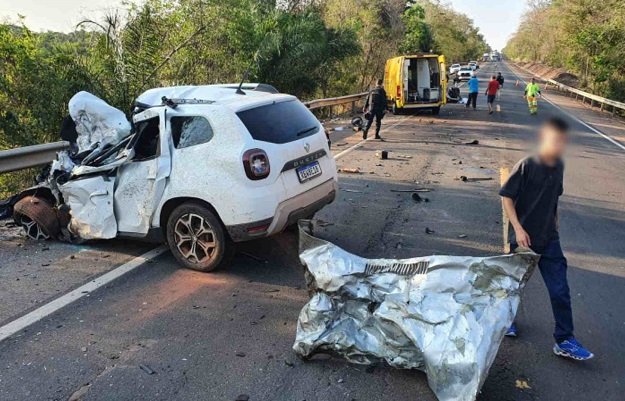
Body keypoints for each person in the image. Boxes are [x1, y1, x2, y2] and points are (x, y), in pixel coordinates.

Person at [500, 117, 594, 361]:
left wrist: (555, 222)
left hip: (549, 238)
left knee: (560, 289)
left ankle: (564, 340)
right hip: (524, 239)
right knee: (513, 285)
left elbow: (554, 197)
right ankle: (506, 321)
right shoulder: (527, 164)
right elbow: (507, 196)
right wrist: (518, 229)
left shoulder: (559, 165)